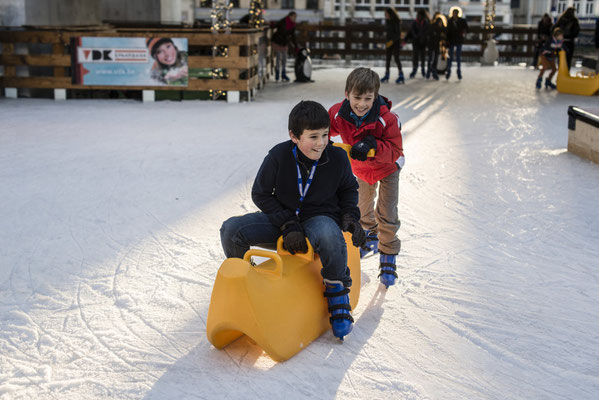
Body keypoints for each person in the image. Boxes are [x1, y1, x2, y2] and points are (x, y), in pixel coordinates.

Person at [220, 100, 365, 340]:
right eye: (313, 137)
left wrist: (350, 216)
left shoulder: (337, 158)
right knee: (231, 230)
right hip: (283, 221)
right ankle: (248, 285)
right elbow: (261, 193)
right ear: (294, 136)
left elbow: (349, 190)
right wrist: (287, 224)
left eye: (325, 135)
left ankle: (337, 292)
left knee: (330, 235)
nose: (321, 143)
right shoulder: (279, 156)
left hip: (319, 219)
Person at [328, 67, 404, 289]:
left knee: (387, 212)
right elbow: (324, 128)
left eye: (368, 99)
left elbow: (395, 150)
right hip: (361, 169)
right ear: (347, 94)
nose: (361, 104)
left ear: (376, 97)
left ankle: (388, 251)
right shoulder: (337, 114)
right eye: (356, 98)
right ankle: (369, 236)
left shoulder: (387, 119)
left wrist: (372, 144)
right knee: (361, 208)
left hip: (388, 168)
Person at [271, 11, 298, 82]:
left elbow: (293, 36)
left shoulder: (293, 25)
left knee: (285, 58)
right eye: (294, 16)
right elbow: (275, 25)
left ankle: (283, 73)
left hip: (284, 42)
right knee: (279, 57)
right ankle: (277, 72)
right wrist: (271, 24)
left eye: (296, 17)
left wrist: (296, 46)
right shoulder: (283, 21)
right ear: (290, 16)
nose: (295, 18)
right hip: (277, 41)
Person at [380, 7, 405, 84]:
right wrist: (387, 41)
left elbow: (398, 34)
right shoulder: (388, 21)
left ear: (390, 13)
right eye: (385, 14)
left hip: (395, 42)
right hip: (389, 42)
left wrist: (392, 41)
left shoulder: (396, 22)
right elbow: (388, 33)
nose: (385, 15)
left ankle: (401, 74)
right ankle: (387, 74)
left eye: (386, 13)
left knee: (396, 58)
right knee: (388, 58)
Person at [445, 8, 468, 80]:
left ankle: (458, 72)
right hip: (451, 41)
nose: (454, 15)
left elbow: (467, 29)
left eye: (455, 13)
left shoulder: (462, 21)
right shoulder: (450, 21)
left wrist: (463, 33)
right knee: (450, 57)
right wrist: (447, 41)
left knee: (458, 57)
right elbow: (447, 31)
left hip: (458, 40)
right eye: (453, 13)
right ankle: (448, 71)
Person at [408, 9, 430, 79]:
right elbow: (412, 31)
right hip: (416, 42)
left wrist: (422, 37)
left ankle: (423, 69)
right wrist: (416, 37)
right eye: (418, 15)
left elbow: (426, 32)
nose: (419, 16)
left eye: (420, 15)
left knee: (422, 57)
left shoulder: (426, 22)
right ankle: (415, 69)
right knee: (415, 57)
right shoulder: (415, 22)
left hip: (423, 42)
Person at [425, 15, 446, 80]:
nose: (440, 24)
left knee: (435, 59)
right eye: (439, 23)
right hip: (431, 45)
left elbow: (444, 34)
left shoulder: (441, 28)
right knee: (430, 58)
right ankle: (429, 71)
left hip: (436, 45)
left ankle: (433, 71)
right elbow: (429, 35)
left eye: (441, 23)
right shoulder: (432, 27)